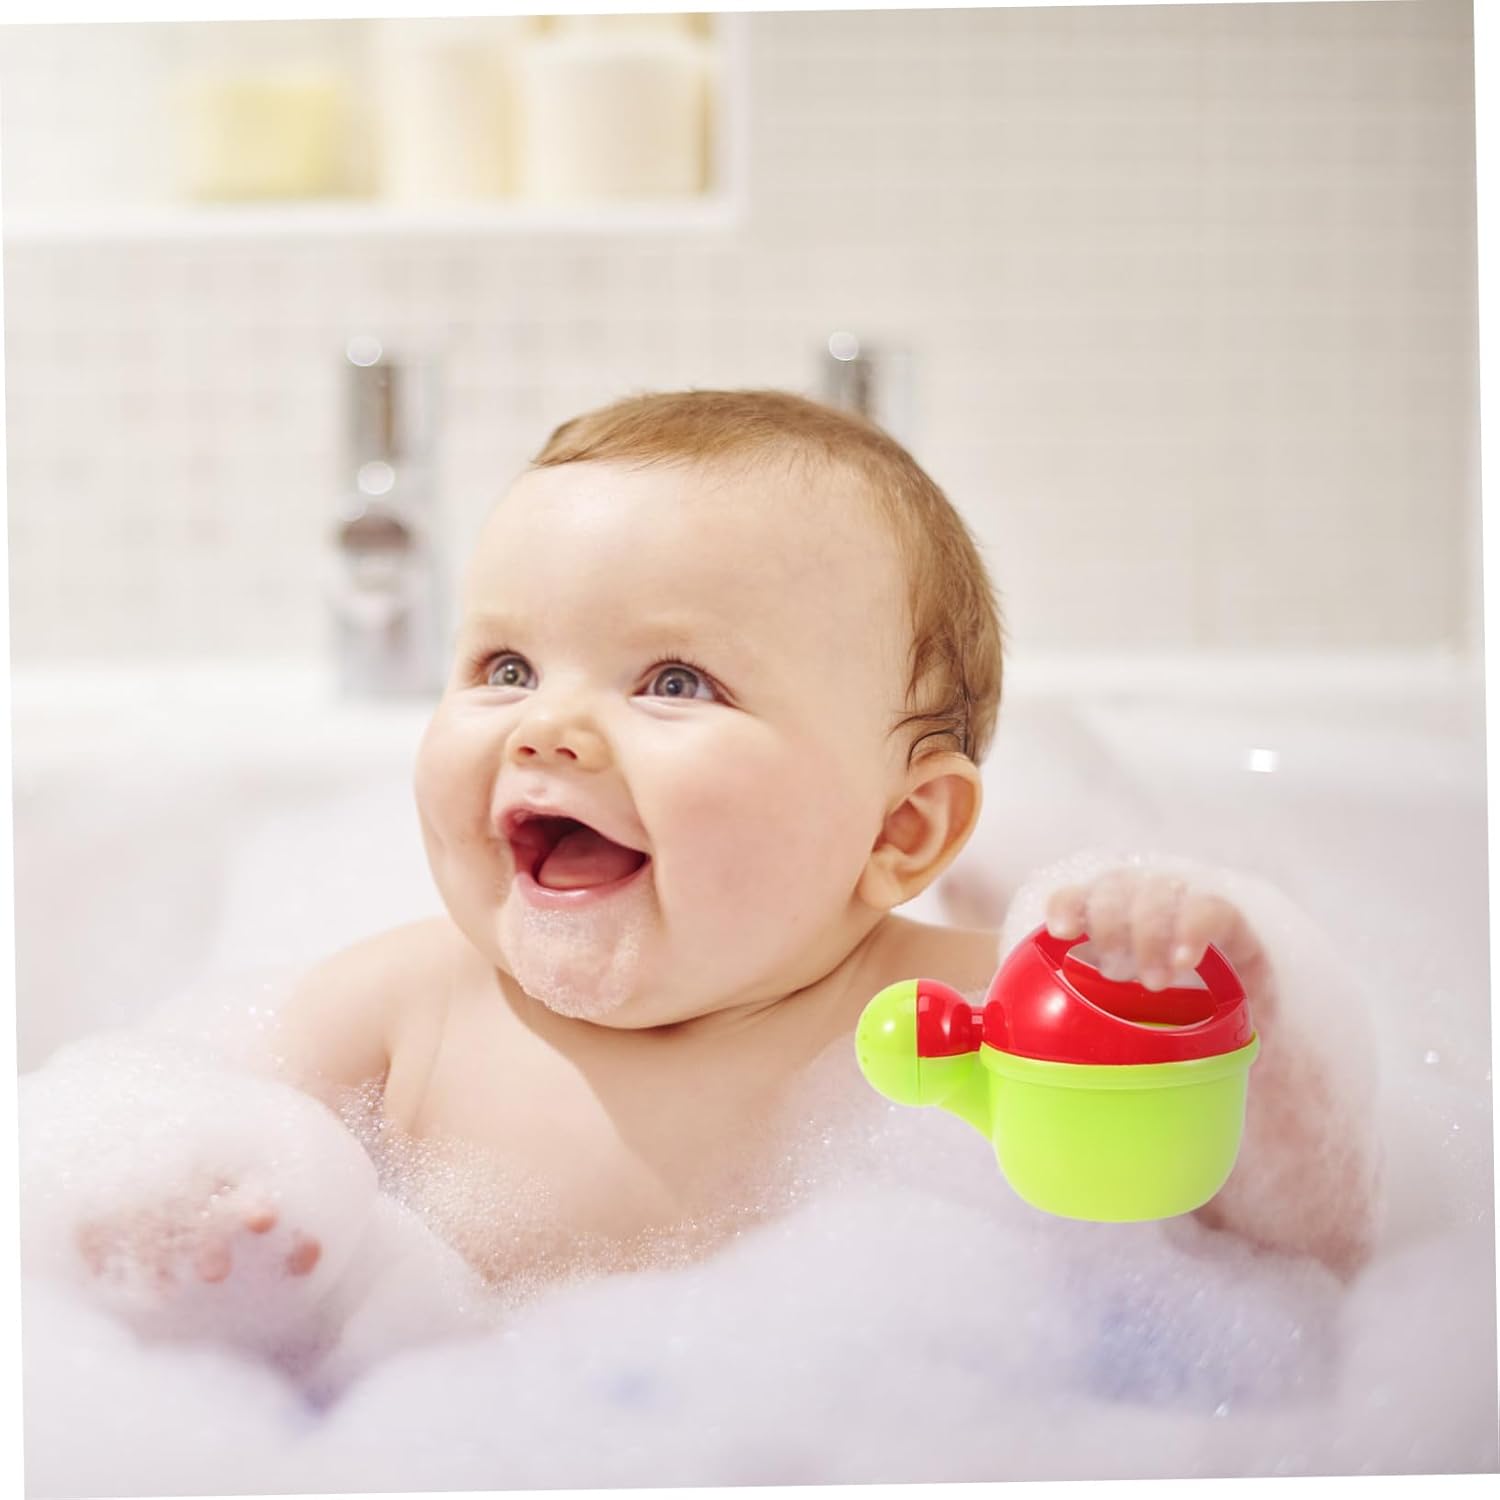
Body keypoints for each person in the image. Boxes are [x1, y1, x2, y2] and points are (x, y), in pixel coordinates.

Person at [44, 389, 1381, 1379]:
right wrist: (176, 1242)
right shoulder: (398, 1012)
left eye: (674, 681)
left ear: (901, 832)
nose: (546, 726)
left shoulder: (979, 1023)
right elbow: (122, 1171)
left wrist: (1242, 1033)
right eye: (505, 666)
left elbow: (1293, 1269)